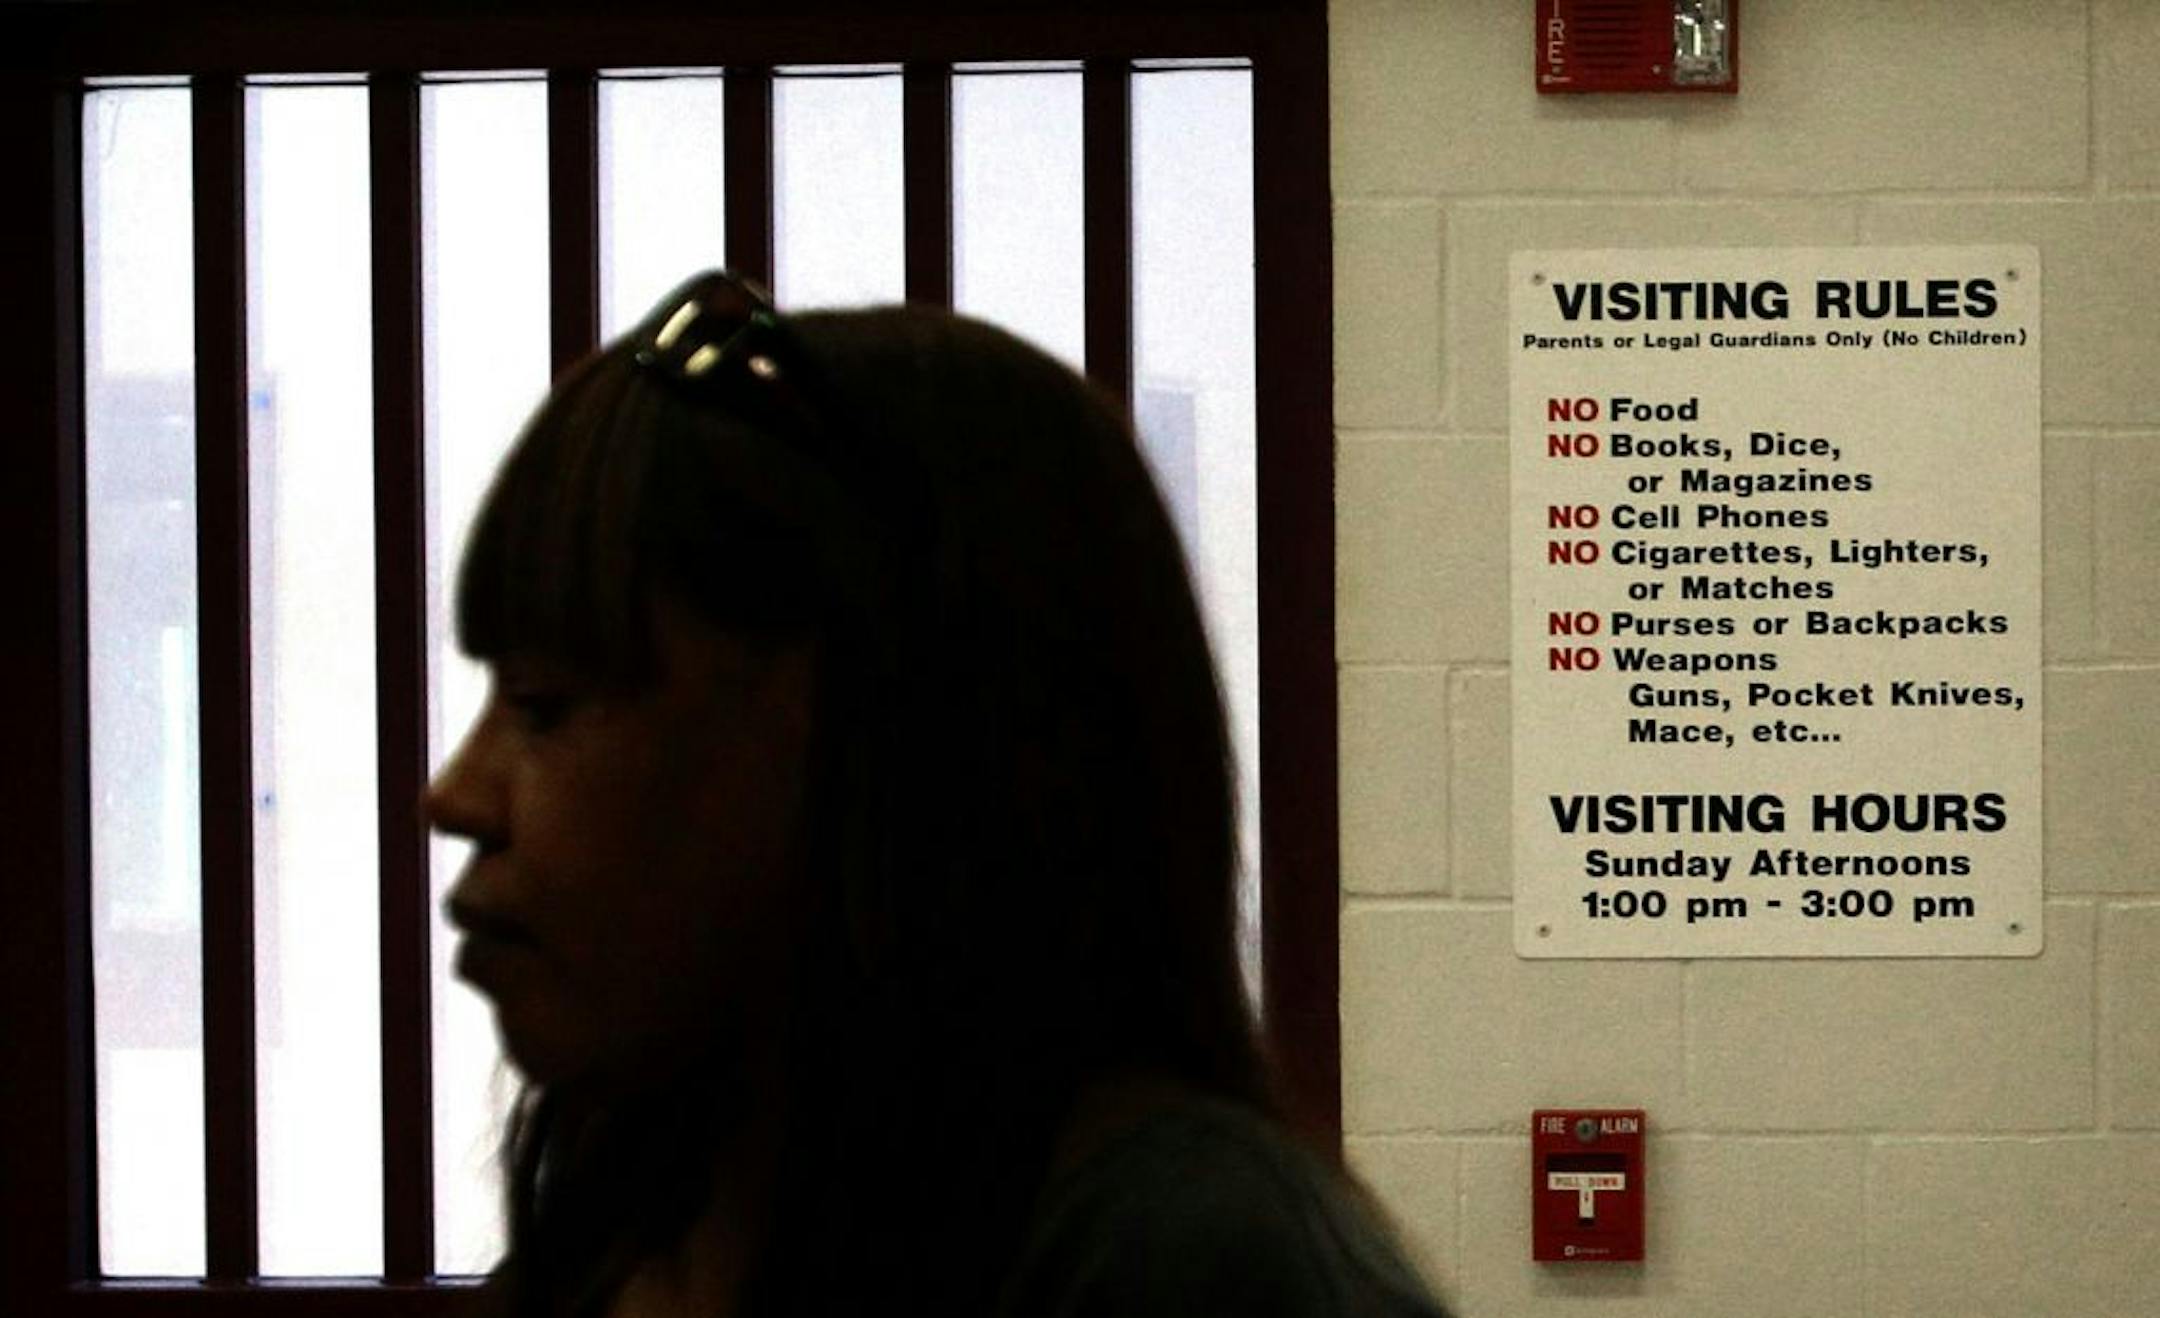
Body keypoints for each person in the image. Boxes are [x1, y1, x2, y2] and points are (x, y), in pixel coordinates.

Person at [425, 271, 1453, 1318]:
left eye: (547, 705)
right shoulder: (636, 1223)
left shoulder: (1188, 1260)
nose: (453, 794)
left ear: (866, 730)